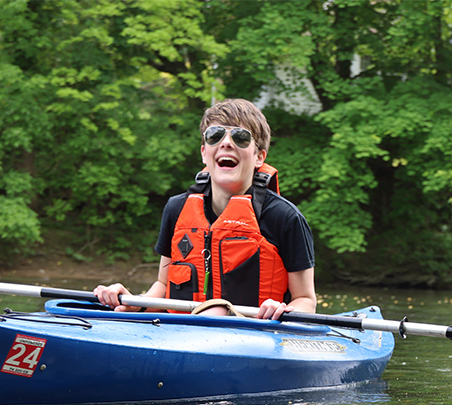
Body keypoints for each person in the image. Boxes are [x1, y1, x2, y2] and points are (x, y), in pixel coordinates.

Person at [94, 99, 316, 320]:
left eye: (240, 137)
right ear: (204, 152)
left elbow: (306, 300)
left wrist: (281, 311)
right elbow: (163, 285)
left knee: (217, 311)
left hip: (256, 335)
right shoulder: (176, 208)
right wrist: (133, 303)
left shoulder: (285, 217)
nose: (226, 143)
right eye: (215, 136)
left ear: (259, 157)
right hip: (183, 331)